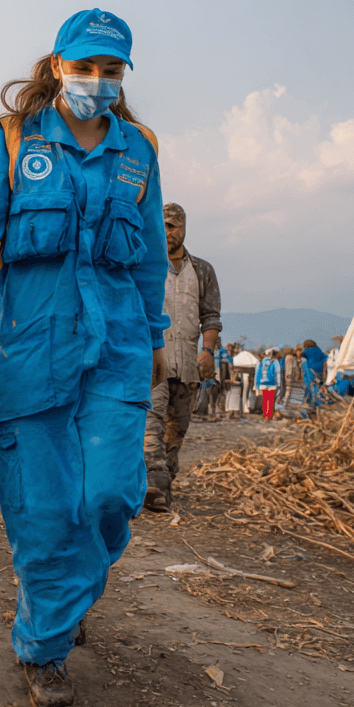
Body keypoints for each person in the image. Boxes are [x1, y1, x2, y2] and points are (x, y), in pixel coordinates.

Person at [0, 9, 168, 707]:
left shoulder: (139, 151)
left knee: (110, 494)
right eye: (85, 65)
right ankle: (44, 648)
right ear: (58, 64)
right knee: (41, 512)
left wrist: (156, 337)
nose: (97, 80)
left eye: (111, 69)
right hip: (32, 349)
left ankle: (66, 593)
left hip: (119, 350)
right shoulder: (13, 141)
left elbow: (152, 254)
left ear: (123, 76)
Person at [142, 203, 222, 511]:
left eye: (174, 226)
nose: (168, 232)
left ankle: (164, 481)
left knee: (177, 430)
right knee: (152, 422)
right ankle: (153, 484)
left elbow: (211, 317)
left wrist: (208, 352)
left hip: (188, 363)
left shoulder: (202, 270)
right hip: (153, 359)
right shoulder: (147, 266)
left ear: (184, 228)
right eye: (162, 225)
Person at [254, 348, 284, 419]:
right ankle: (269, 416)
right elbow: (278, 373)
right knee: (270, 400)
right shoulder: (275, 362)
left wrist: (257, 384)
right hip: (272, 383)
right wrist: (279, 384)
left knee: (264, 399)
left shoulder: (260, 362)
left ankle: (265, 414)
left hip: (263, 383)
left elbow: (257, 373)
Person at [301, 338, 327, 403]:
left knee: (311, 386)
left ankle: (312, 402)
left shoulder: (306, 351)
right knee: (319, 385)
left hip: (311, 370)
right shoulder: (319, 350)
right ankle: (321, 400)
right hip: (321, 370)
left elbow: (299, 356)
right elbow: (326, 357)